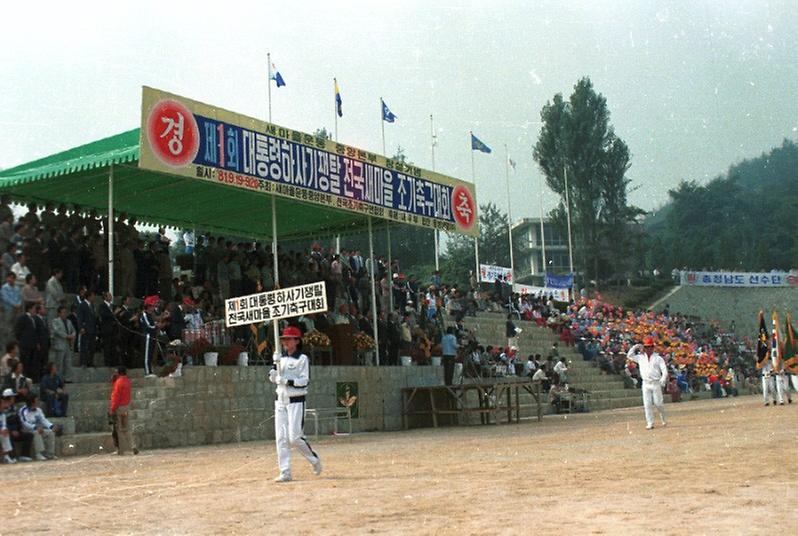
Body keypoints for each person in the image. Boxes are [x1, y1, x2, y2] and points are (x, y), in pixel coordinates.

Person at [269, 326, 321, 483]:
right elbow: (274, 379)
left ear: (297, 341)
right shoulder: (281, 358)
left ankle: (314, 459)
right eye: (284, 339)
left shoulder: (302, 359)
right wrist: (273, 370)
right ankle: (285, 471)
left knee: (294, 437)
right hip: (281, 400)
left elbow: (304, 381)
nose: (285, 341)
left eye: (289, 339)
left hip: (296, 401)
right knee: (281, 438)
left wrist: (288, 381)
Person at [626, 337, 668, 430]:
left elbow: (664, 370)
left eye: (650, 347)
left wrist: (663, 378)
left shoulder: (658, 358)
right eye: (647, 347)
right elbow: (629, 355)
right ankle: (650, 423)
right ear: (644, 348)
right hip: (645, 383)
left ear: (653, 348)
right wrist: (636, 347)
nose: (649, 349)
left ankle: (663, 417)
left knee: (658, 404)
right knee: (647, 404)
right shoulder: (640, 358)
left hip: (655, 383)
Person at [18, 394, 58, 461]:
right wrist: (35, 427)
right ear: (32, 402)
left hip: (39, 429)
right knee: (37, 433)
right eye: (37, 400)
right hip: (27, 430)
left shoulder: (38, 410)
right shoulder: (23, 410)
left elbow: (43, 420)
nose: (38, 402)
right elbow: (24, 423)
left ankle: (50, 453)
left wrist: (51, 426)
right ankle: (38, 454)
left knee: (51, 432)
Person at [109, 366, 137, 455]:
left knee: (119, 429)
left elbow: (116, 397)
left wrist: (112, 409)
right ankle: (133, 446)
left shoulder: (118, 382)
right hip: (126, 406)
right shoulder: (127, 381)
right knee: (127, 428)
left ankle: (121, 450)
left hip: (119, 407)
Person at [1, 388, 17, 464]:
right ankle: (8, 456)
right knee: (5, 435)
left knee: (5, 434)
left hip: (3, 432)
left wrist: (5, 429)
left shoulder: (3, 414)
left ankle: (7, 457)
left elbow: (4, 424)